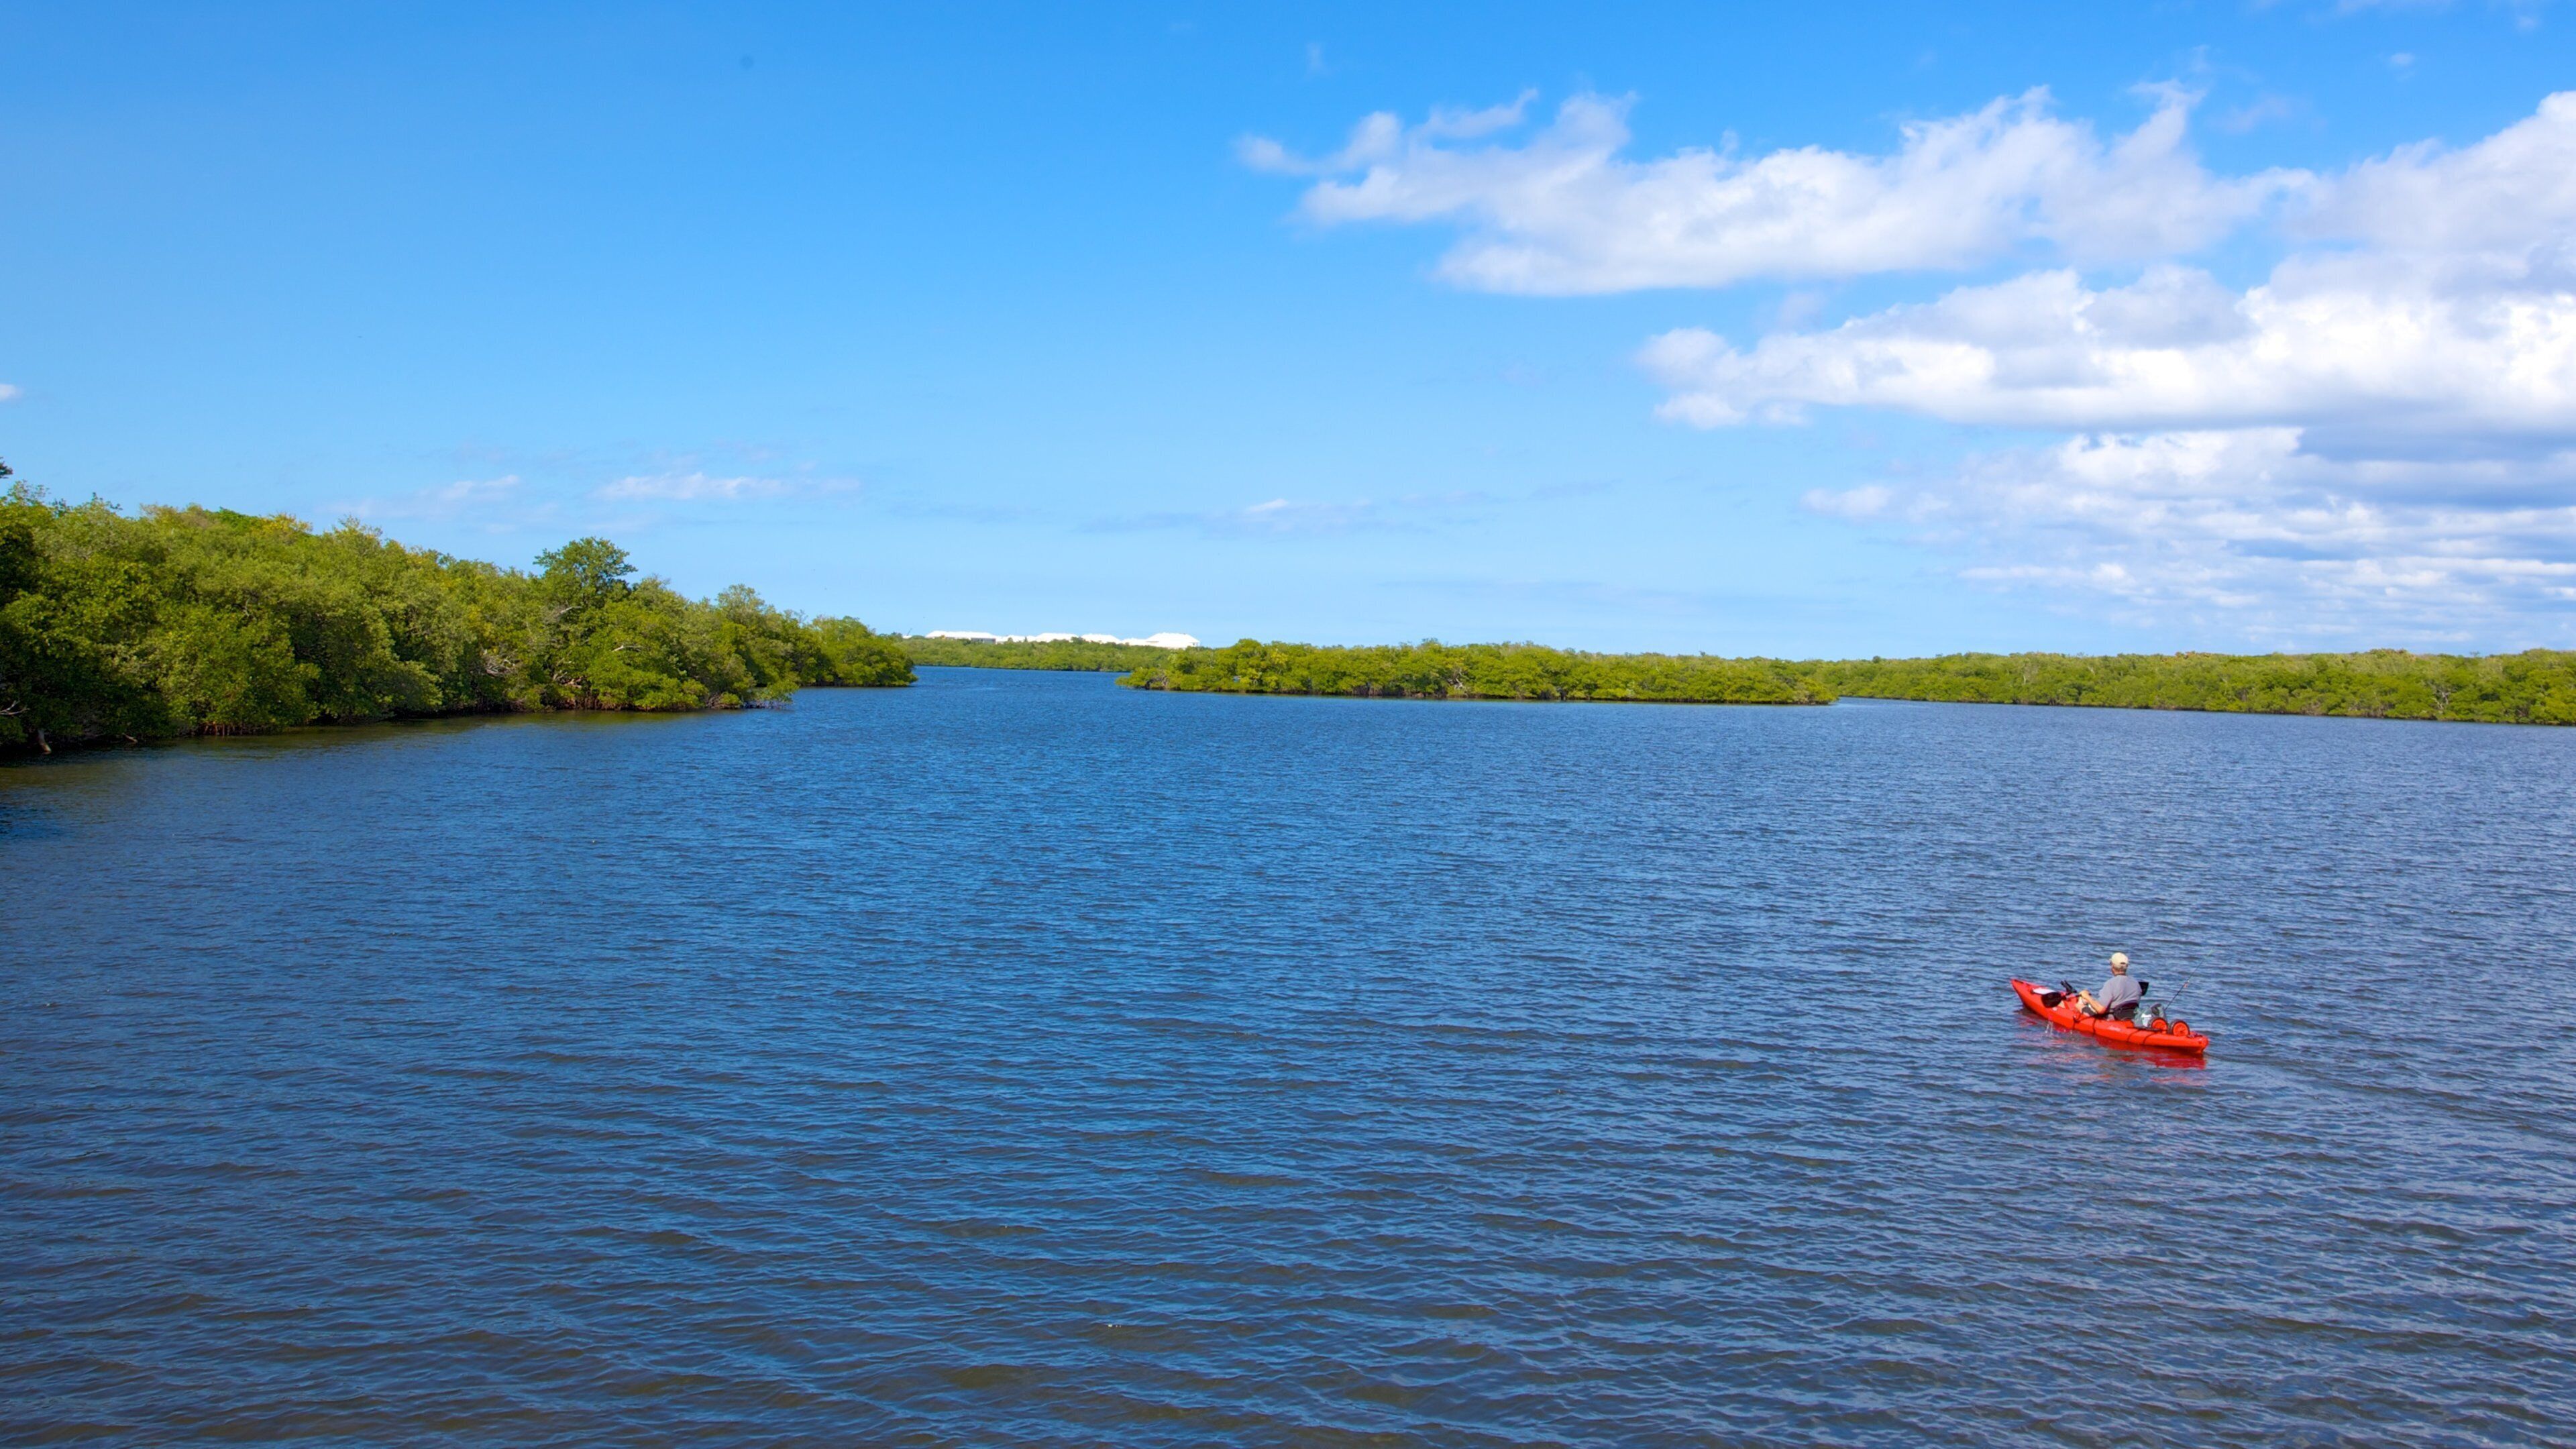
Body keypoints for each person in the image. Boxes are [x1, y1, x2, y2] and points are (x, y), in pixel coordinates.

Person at [2074, 953, 2145, 1020]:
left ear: (2112, 966)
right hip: (2129, 1016)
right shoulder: (2136, 983)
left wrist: (2086, 996)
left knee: (2078, 1005)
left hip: (2112, 1018)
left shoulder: (2111, 983)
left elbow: (2101, 1010)